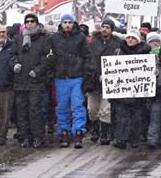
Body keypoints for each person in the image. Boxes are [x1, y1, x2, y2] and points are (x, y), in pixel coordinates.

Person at [46, 14, 93, 149]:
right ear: (61, 24)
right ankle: (64, 131)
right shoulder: (54, 38)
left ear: (73, 23)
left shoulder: (80, 37)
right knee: (62, 106)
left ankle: (78, 132)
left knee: (77, 105)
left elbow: (87, 56)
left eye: (70, 22)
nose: (67, 25)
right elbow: (49, 56)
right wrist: (51, 70)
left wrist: (87, 74)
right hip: (60, 77)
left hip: (76, 77)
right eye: (65, 22)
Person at [10, 13, 50, 148]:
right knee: (22, 111)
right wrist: (14, 64)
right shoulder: (18, 39)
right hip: (21, 81)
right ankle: (25, 136)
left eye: (32, 21)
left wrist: (37, 71)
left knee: (35, 111)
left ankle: (37, 136)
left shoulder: (44, 39)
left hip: (36, 81)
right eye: (27, 21)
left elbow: (48, 59)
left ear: (37, 23)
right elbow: (12, 55)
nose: (30, 23)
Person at [113, 29, 151, 149]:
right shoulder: (118, 52)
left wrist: (152, 73)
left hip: (138, 92)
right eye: (128, 37)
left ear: (138, 40)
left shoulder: (145, 54)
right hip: (122, 91)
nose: (130, 40)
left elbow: (149, 69)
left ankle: (135, 138)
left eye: (133, 38)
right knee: (122, 116)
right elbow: (112, 68)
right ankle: (121, 139)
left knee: (136, 117)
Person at [87, 19, 121, 145]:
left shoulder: (117, 44)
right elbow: (88, 61)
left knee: (105, 110)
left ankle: (104, 133)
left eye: (107, 27)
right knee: (92, 109)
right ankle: (95, 130)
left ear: (111, 29)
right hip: (93, 82)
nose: (104, 29)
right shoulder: (94, 43)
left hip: (109, 82)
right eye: (103, 27)